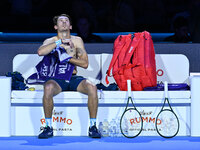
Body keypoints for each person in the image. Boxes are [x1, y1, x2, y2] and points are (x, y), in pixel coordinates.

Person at [37, 14, 101, 139]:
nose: (64, 22)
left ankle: (93, 126)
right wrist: (60, 42)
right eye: (61, 21)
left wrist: (68, 58)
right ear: (56, 26)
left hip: (73, 78)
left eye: (66, 20)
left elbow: (85, 64)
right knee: (48, 87)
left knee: (92, 87)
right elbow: (40, 52)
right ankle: (48, 127)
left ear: (70, 26)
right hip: (57, 80)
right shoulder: (50, 41)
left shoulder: (77, 41)